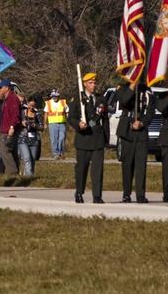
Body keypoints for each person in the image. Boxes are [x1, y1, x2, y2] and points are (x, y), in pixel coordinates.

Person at [67, 72, 108, 203]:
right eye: (90, 83)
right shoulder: (77, 99)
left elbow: (105, 119)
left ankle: (97, 195)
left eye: (95, 82)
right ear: (84, 84)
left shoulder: (101, 99)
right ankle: (79, 193)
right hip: (84, 138)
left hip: (97, 139)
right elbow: (70, 118)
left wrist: (106, 139)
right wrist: (78, 124)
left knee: (98, 170)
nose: (93, 85)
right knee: (81, 169)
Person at [114, 83, 148, 203]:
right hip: (127, 131)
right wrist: (133, 86)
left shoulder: (147, 91)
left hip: (141, 132)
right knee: (127, 165)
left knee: (141, 166)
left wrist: (142, 123)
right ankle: (126, 194)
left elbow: (150, 111)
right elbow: (124, 101)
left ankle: (140, 194)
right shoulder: (122, 88)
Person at [0, 80, 21, 177]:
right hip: (4, 129)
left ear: (6, 88)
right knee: (11, 152)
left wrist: (12, 127)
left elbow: (15, 115)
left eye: (1, 87)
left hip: (9, 130)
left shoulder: (13, 99)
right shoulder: (6, 99)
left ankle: (12, 173)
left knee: (5, 151)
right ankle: (15, 172)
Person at [17, 97, 41, 177]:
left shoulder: (37, 114)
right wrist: (21, 123)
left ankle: (29, 175)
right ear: (27, 104)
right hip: (23, 138)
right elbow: (16, 122)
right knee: (27, 158)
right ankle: (28, 178)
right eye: (30, 105)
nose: (31, 107)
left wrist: (36, 126)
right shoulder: (22, 112)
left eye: (33, 106)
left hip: (34, 139)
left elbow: (42, 127)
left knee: (32, 159)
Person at [44, 90, 68, 159]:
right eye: (53, 96)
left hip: (62, 123)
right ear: (52, 96)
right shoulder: (48, 103)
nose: (55, 97)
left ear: (58, 96)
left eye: (56, 96)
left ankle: (61, 153)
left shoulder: (63, 102)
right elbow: (46, 114)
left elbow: (67, 112)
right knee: (54, 139)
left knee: (62, 138)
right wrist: (45, 123)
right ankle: (55, 154)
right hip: (52, 124)